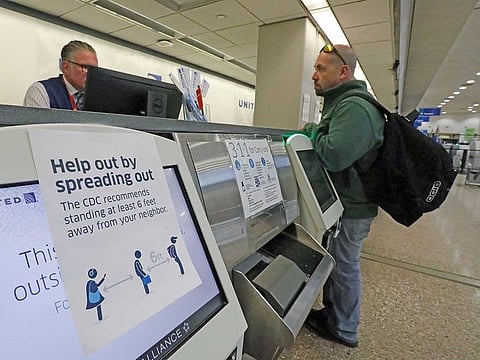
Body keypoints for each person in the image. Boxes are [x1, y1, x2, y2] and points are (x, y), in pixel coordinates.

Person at [302, 44, 384, 348]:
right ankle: (333, 316)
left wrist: (312, 130)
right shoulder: (343, 104)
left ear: (343, 72)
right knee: (337, 263)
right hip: (345, 205)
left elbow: (334, 156)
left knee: (346, 265)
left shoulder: (355, 108)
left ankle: (345, 328)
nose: (314, 75)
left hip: (353, 208)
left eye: (321, 68)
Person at [23, 40, 98, 110]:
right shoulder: (41, 91)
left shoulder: (98, 97)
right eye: (85, 67)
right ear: (66, 67)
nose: (91, 74)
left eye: (94, 69)